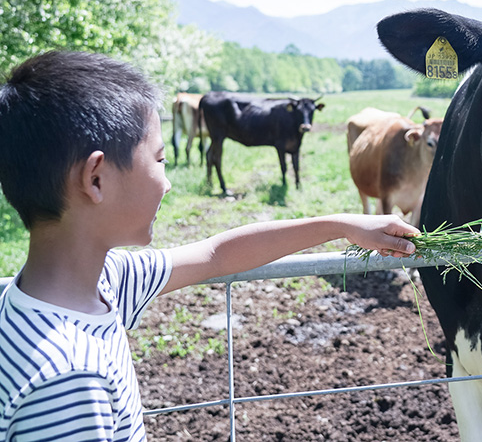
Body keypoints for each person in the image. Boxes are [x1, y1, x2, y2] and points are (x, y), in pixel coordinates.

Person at [0, 50, 419, 441]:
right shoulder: (69, 377)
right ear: (96, 179)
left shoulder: (98, 283)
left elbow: (217, 254)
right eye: (159, 159)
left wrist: (340, 224)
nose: (167, 181)